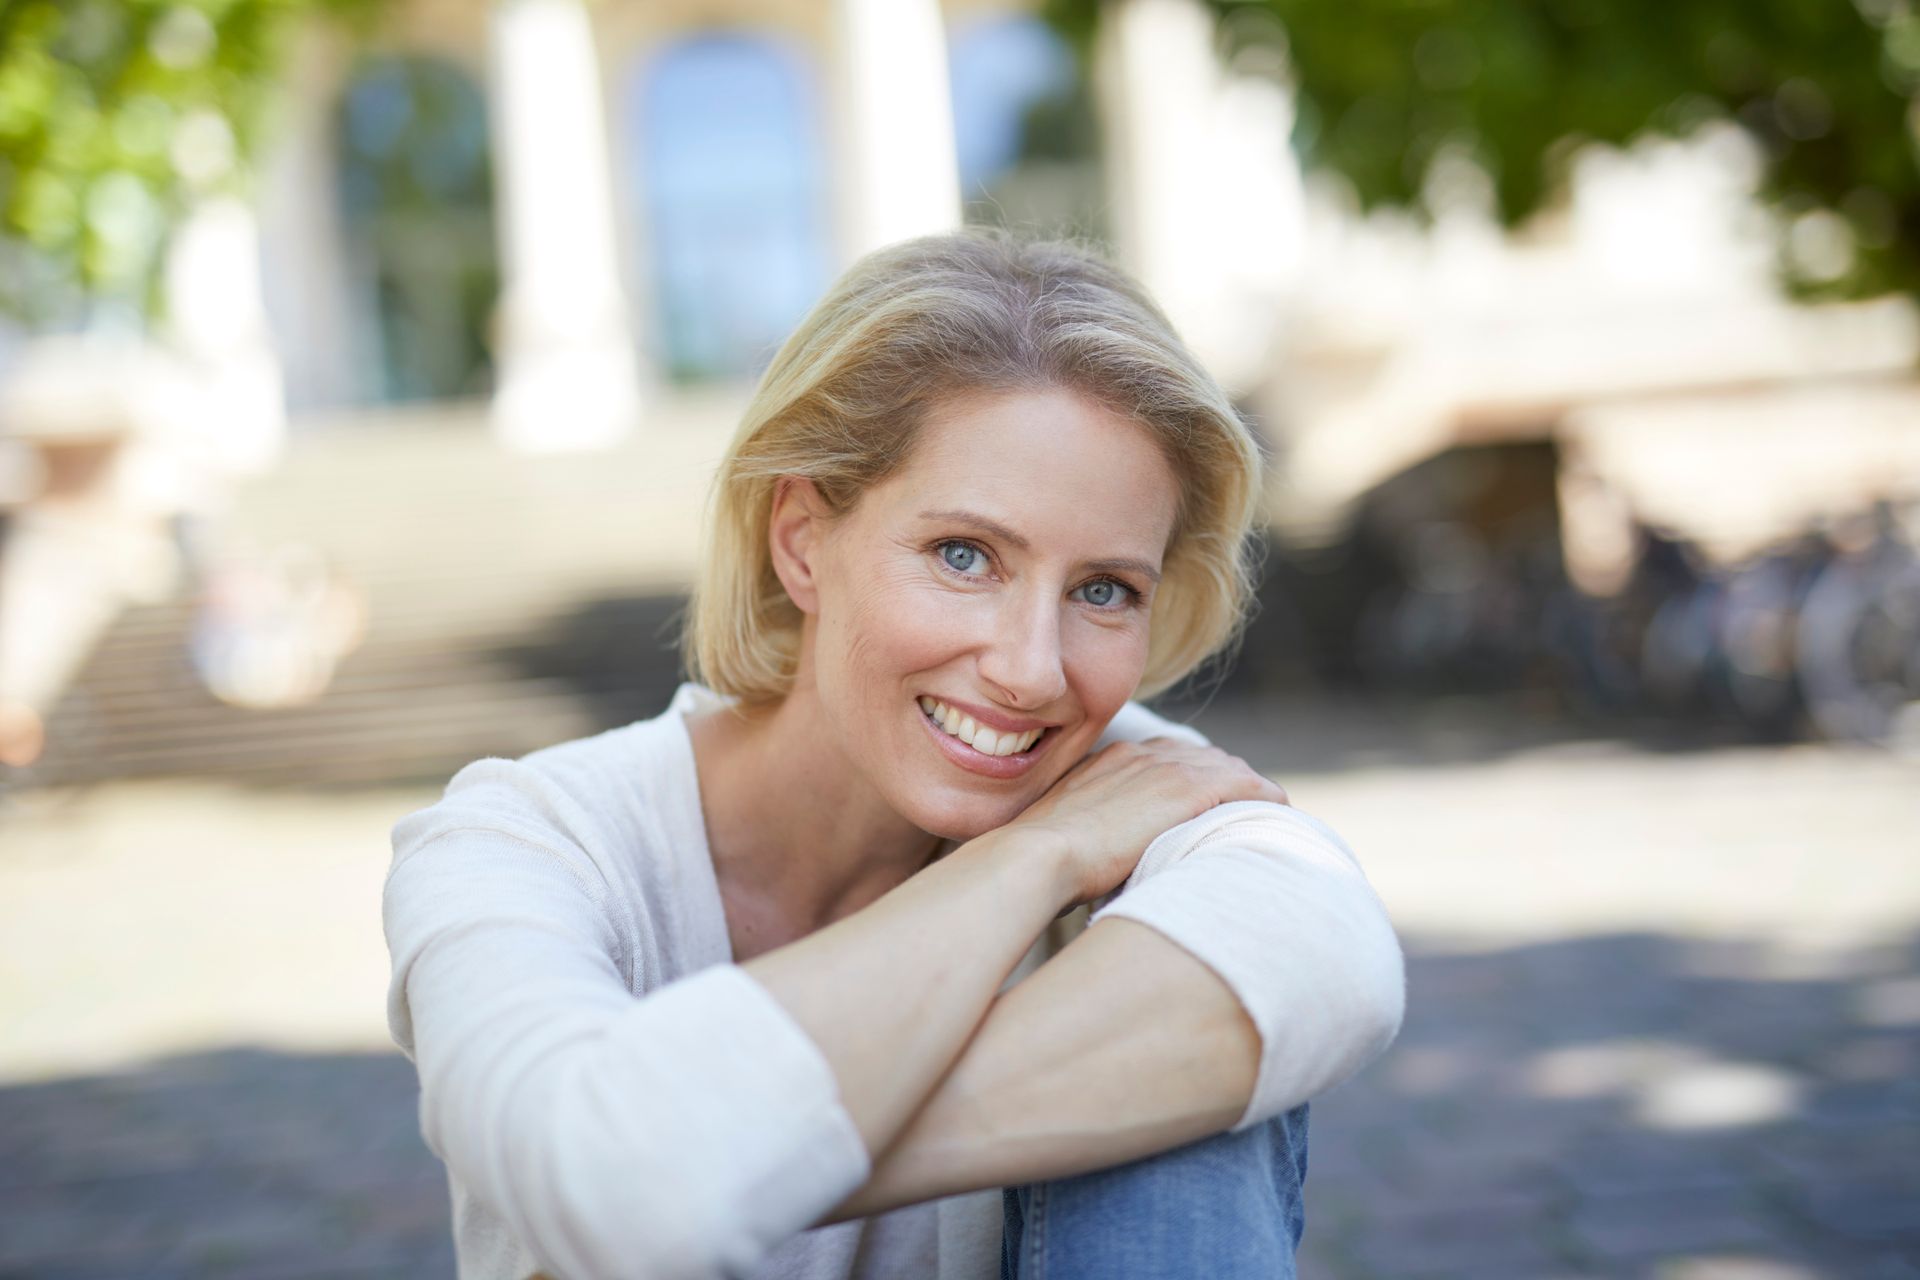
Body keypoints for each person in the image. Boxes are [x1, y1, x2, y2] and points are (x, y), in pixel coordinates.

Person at [382, 228, 1405, 1280]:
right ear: (801, 539)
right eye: (964, 555)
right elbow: (595, 1170)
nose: (1032, 671)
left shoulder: (1138, 787)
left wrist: (742, 1165)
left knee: (1190, 1098)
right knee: (1157, 1064)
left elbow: (1335, 955)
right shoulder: (524, 841)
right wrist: (1033, 857)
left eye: (1104, 589)